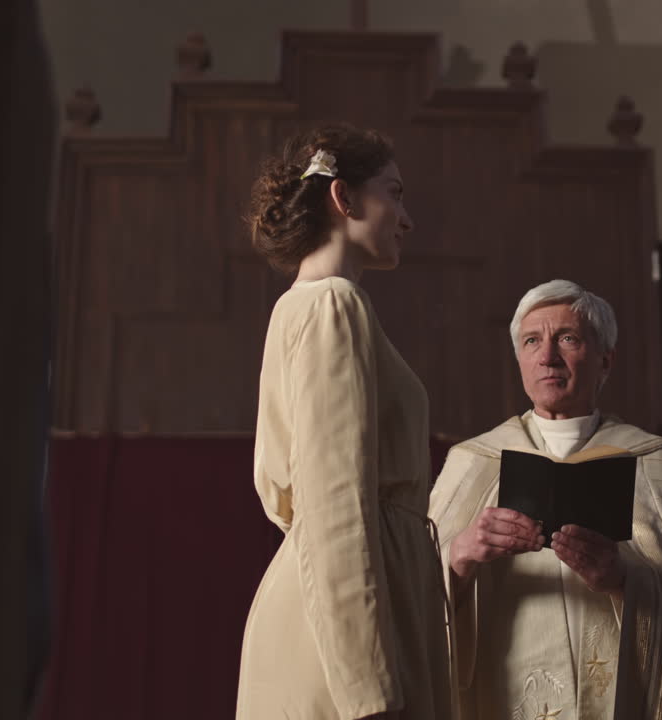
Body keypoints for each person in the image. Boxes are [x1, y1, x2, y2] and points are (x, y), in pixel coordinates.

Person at [429, 279, 662, 720]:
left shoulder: (653, 462)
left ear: (606, 359)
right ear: (520, 360)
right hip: (500, 695)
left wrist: (627, 579)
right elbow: (411, 592)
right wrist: (458, 557)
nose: (548, 356)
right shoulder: (472, 462)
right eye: (532, 341)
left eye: (568, 338)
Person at [237, 125, 452, 720]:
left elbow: (289, 497)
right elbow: (332, 500)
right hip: (348, 637)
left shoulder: (301, 305)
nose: (406, 218)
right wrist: (368, 689)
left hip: (338, 606)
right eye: (395, 193)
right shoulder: (333, 304)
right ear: (345, 199)